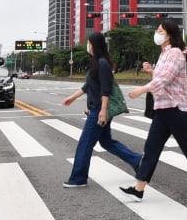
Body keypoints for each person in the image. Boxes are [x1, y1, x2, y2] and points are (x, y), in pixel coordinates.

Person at [120, 21, 187, 202]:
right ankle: (139, 189)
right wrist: (152, 71)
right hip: (163, 109)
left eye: (160, 31)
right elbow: (162, 77)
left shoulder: (175, 53)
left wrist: (142, 89)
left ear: (169, 35)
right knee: (151, 148)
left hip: (176, 109)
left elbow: (166, 79)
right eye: (157, 30)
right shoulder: (164, 54)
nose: (156, 34)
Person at [61, 32, 142, 187]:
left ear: (94, 45)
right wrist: (72, 97)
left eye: (89, 43)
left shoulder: (103, 63)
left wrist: (103, 112)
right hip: (97, 109)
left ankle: (78, 179)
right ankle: (137, 161)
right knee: (106, 142)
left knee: (85, 144)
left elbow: (106, 90)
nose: (87, 46)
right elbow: (88, 86)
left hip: (99, 110)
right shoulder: (96, 62)